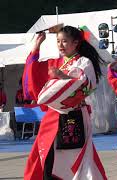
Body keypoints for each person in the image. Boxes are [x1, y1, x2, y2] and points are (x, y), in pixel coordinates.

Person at [22, 26, 107, 179]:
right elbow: (33, 73)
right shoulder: (55, 62)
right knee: (45, 154)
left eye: (65, 41)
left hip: (73, 116)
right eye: (58, 41)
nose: (60, 45)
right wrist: (36, 48)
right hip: (51, 117)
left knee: (73, 157)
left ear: (75, 43)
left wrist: (61, 75)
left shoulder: (84, 62)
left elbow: (85, 85)